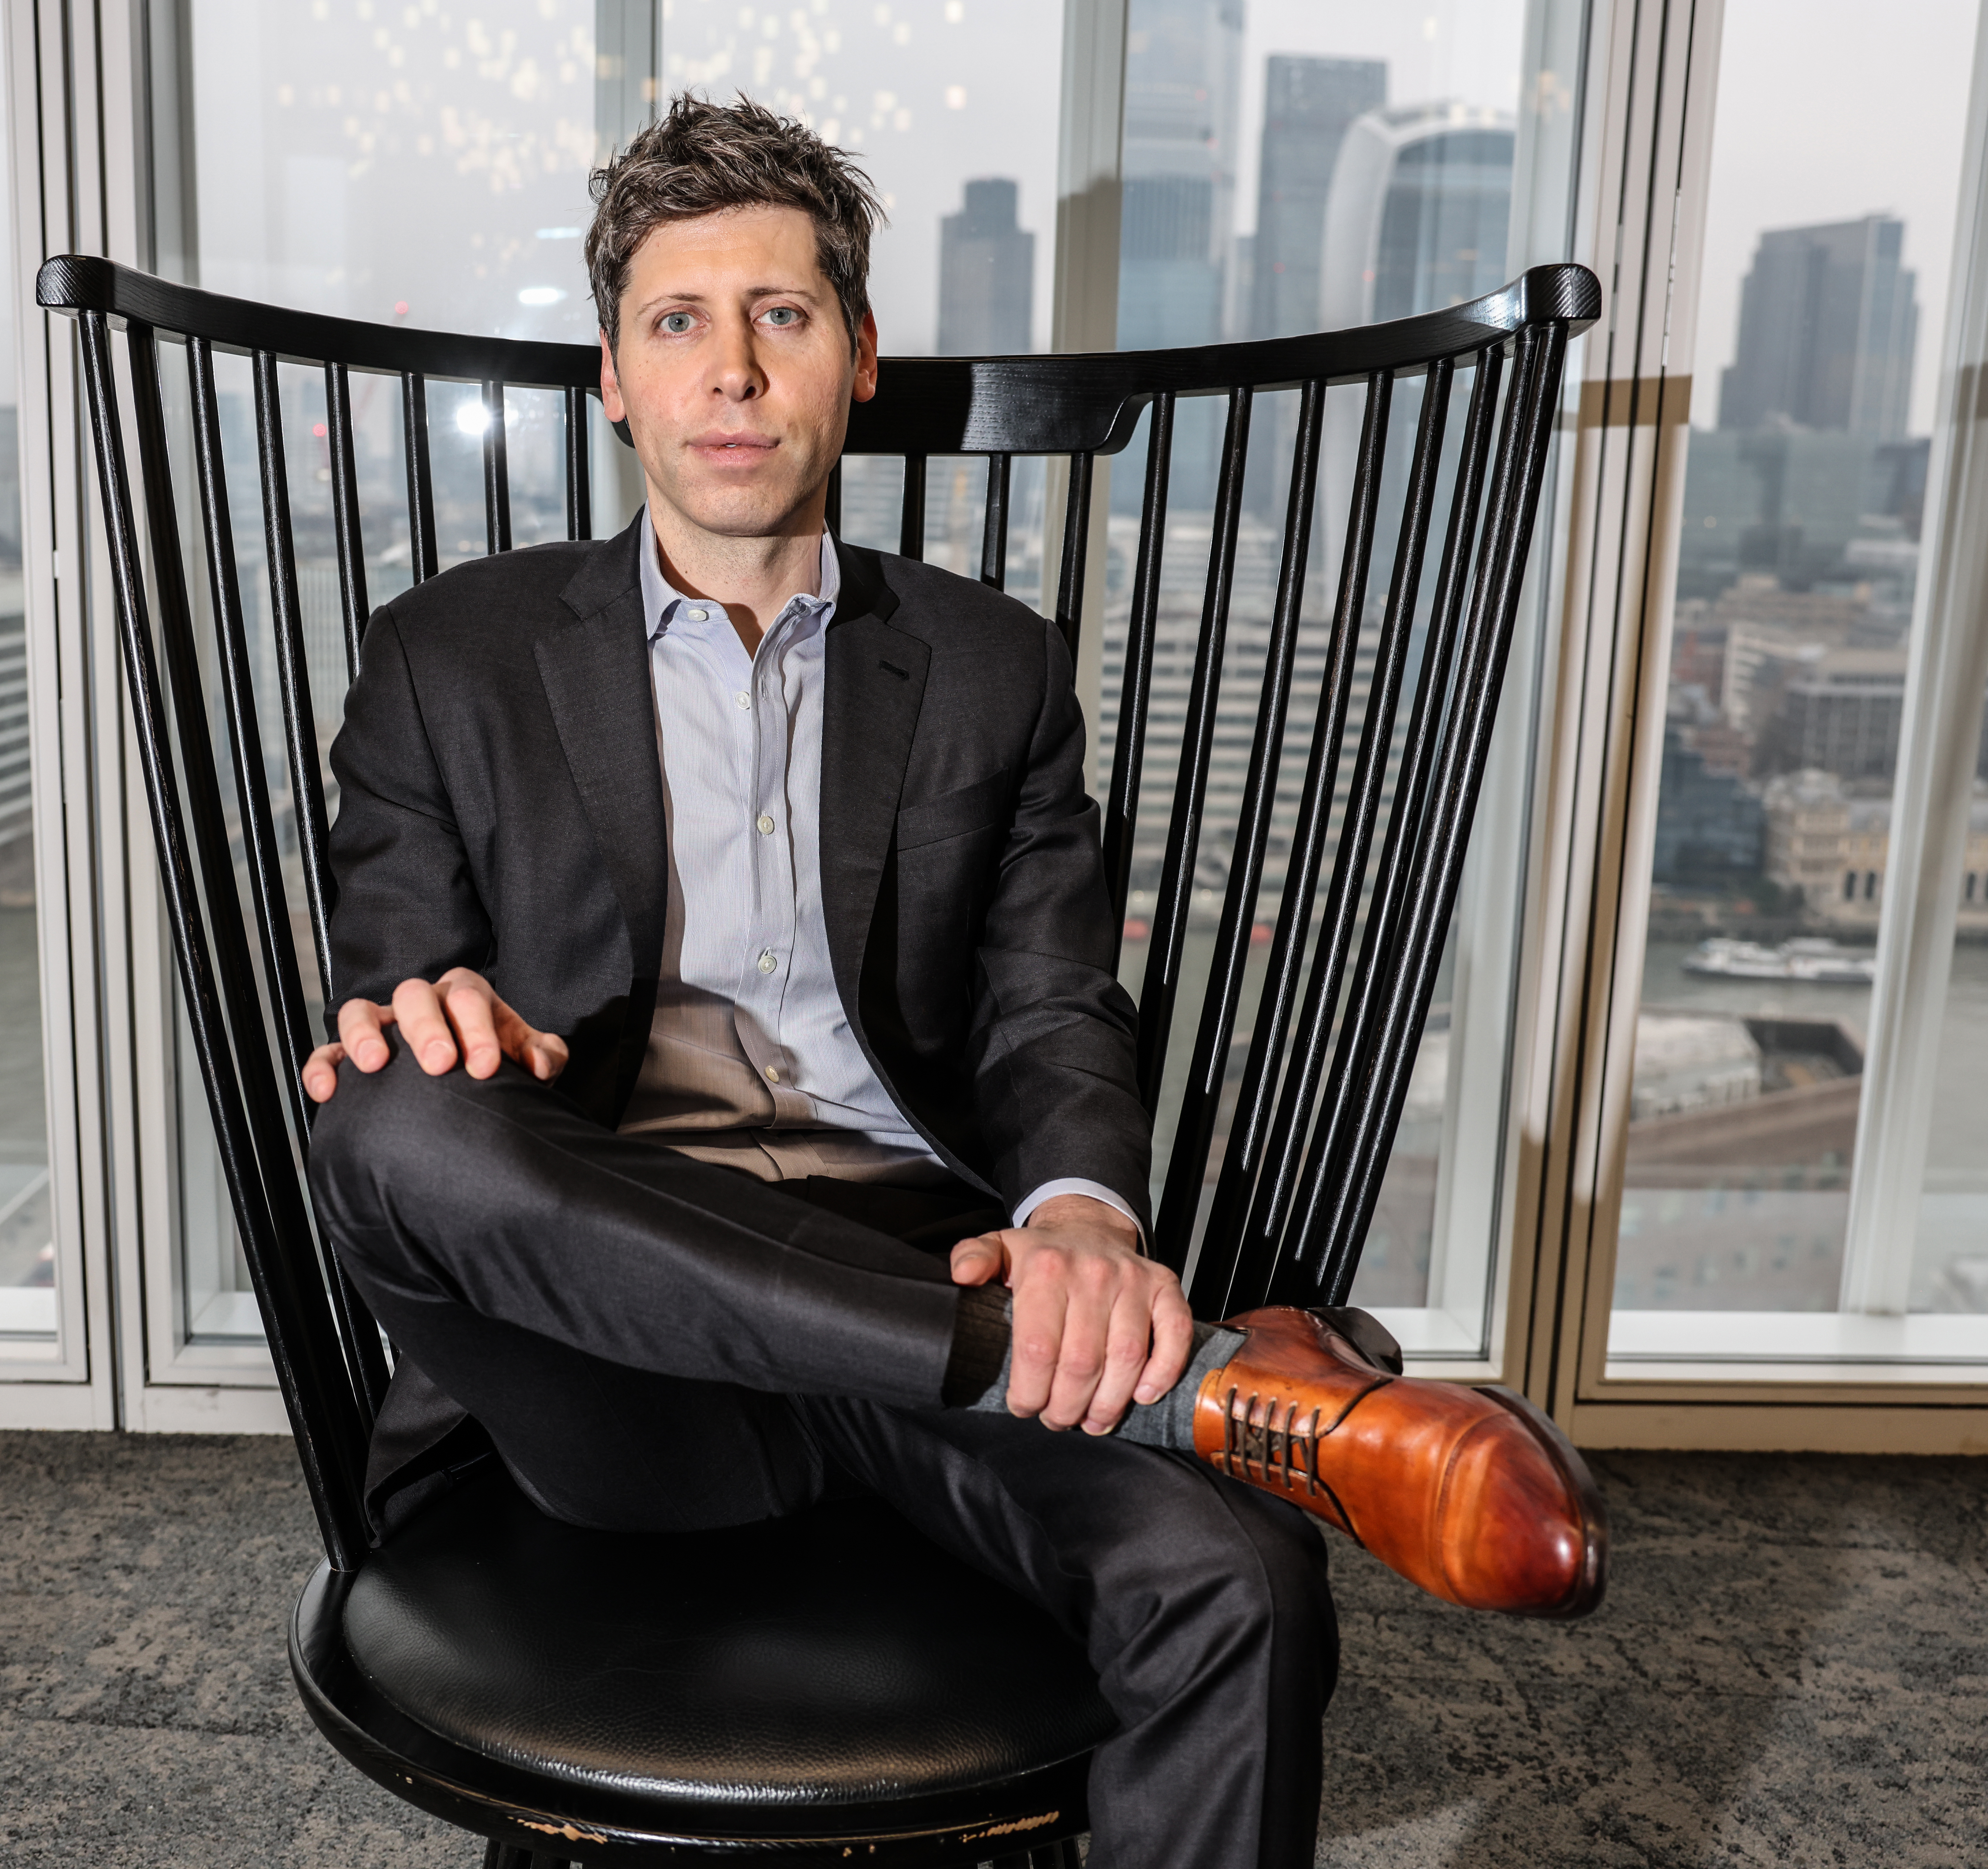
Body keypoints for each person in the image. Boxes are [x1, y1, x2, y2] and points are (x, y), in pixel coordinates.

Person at [302, 94, 1601, 1869]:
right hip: (608, 1354)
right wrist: (442, 1016)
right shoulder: (447, 658)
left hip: (927, 1269)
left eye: (781, 314)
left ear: (857, 359)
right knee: (387, 1115)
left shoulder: (992, 667)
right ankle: (1218, 1386)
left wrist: (1080, 1219)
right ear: (615, 376)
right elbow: (392, 986)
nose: (731, 369)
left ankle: (1100, 1377)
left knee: (1241, 1583)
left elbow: (1051, 1004)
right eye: (678, 321)